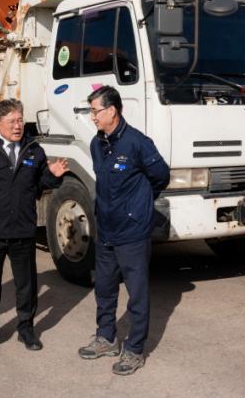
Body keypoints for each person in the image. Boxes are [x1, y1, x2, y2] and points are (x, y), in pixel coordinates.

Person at [0, 99, 69, 356]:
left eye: (20, 120)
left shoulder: (34, 150)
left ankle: (26, 329)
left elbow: (40, 185)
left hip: (22, 229)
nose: (18, 126)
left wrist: (53, 175)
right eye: (11, 122)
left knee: (26, 285)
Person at [78, 86, 169, 376]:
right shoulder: (97, 144)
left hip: (132, 231)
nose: (92, 116)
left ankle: (134, 350)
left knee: (137, 294)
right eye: (91, 111)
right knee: (104, 289)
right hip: (106, 229)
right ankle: (106, 338)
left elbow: (160, 177)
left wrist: (138, 206)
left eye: (95, 111)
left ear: (112, 111)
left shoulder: (137, 143)